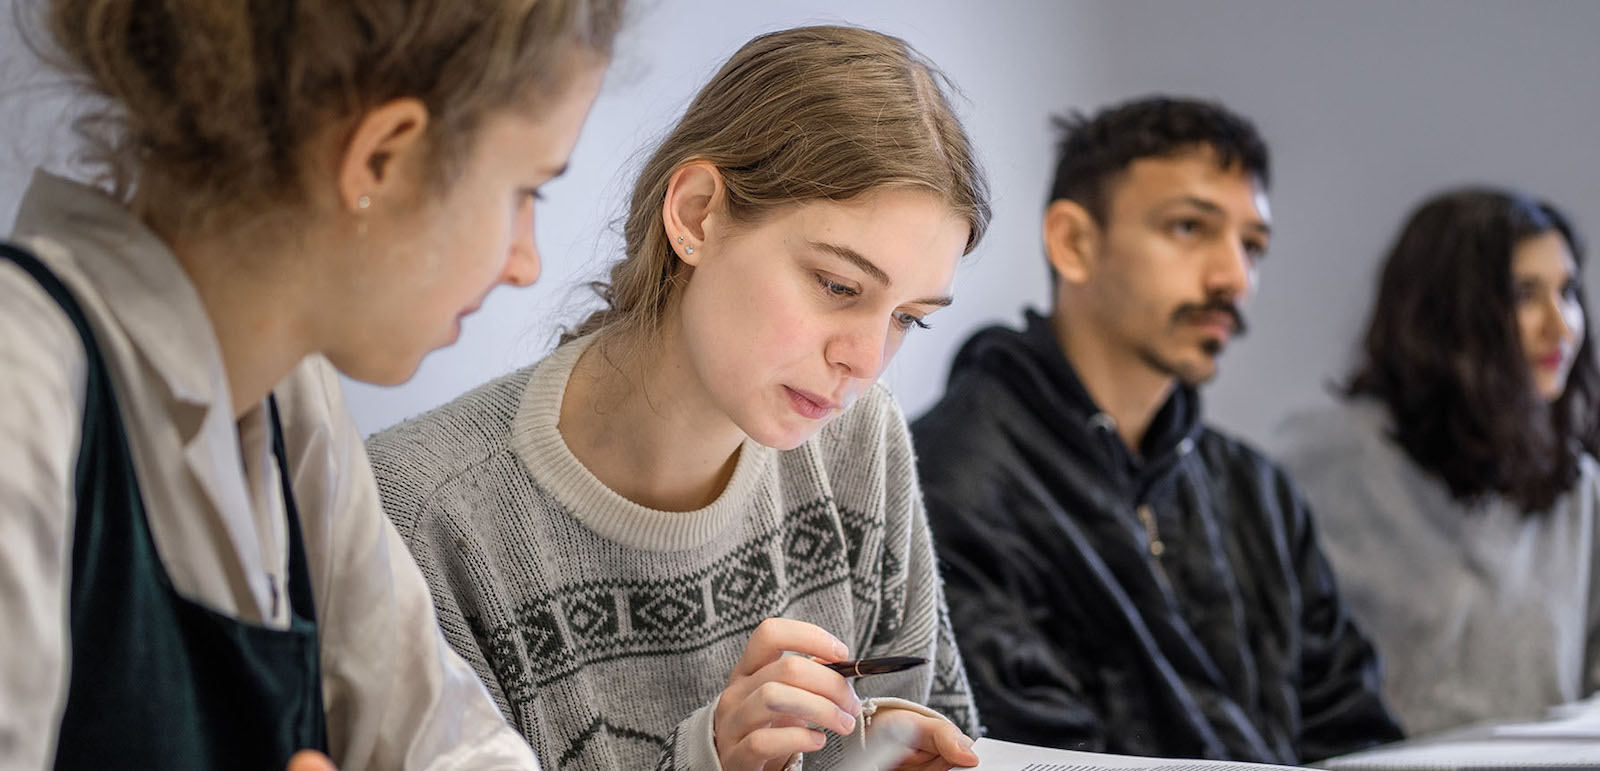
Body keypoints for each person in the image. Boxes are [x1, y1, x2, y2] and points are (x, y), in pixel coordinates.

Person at [0, 0, 622, 768]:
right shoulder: (21, 387)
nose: (525, 262)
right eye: (527, 190)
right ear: (381, 160)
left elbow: (444, 737)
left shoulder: (291, 393)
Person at [365, 25, 989, 771]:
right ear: (696, 214)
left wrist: (876, 751)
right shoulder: (423, 513)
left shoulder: (863, 442)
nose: (863, 361)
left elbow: (950, 735)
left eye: (907, 318)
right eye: (838, 286)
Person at [911, 95, 1403, 764]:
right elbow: (1032, 754)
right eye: (1190, 228)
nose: (1234, 276)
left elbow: (1353, 731)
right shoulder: (949, 481)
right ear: (1074, 243)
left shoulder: (1257, 491)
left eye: (1252, 245)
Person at [1271, 188, 1600, 736]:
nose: (1560, 325)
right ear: (1449, 314)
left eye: (1568, 293)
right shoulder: (1323, 460)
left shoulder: (1576, 488)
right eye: (1525, 295)